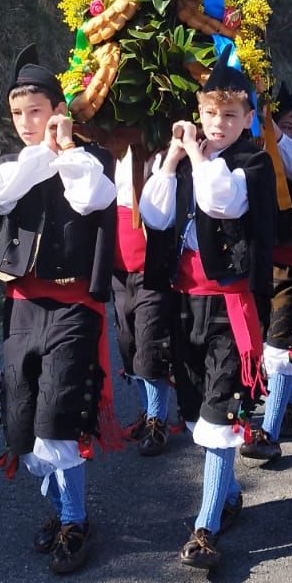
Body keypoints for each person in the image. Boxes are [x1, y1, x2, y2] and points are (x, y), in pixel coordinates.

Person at [0, 44, 117, 575]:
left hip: (74, 307)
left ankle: (77, 521)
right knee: (24, 420)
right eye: (17, 113)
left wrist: (65, 150)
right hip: (22, 306)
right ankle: (61, 513)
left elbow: (92, 200)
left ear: (58, 109)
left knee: (58, 413)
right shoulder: (9, 168)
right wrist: (42, 153)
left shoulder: (89, 161)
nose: (26, 122)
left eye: (36, 111)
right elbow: (1, 197)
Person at [139, 52, 276, 571]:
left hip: (230, 308)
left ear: (247, 120)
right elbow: (154, 213)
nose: (217, 126)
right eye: (210, 115)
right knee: (199, 410)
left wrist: (196, 157)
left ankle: (205, 528)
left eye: (230, 117)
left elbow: (223, 203)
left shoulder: (251, 163)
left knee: (222, 414)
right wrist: (173, 158)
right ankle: (228, 493)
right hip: (185, 305)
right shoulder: (186, 160)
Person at [240, 83, 292, 464]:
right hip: (254, 265)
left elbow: (289, 157)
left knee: (281, 345)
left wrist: (268, 123)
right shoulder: (255, 156)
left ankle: (269, 433)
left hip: (290, 267)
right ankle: (290, 401)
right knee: (257, 343)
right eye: (286, 126)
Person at [110, 145, 183, 456]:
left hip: (152, 269)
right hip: (117, 269)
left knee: (150, 344)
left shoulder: (162, 150)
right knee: (128, 346)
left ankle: (158, 419)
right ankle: (147, 410)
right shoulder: (104, 151)